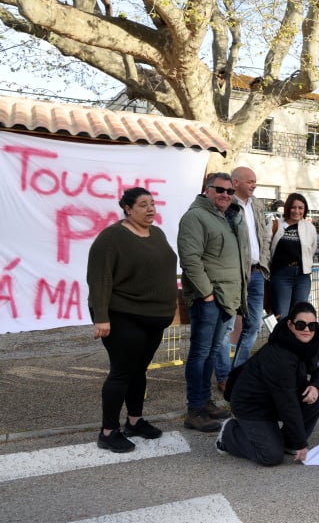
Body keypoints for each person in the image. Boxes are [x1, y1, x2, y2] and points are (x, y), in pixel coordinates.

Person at [87, 187, 178, 452]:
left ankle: (135, 421)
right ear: (127, 208)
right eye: (142, 205)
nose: (150, 209)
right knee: (122, 372)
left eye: (152, 204)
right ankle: (108, 431)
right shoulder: (113, 237)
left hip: (154, 318)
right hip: (124, 316)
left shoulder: (157, 233)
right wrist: (101, 318)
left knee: (140, 370)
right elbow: (99, 278)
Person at [216, 302, 319, 466]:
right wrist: (301, 443)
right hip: (252, 406)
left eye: (311, 325)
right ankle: (230, 433)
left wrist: (316, 385)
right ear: (290, 325)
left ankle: (288, 442)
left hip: (278, 397)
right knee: (271, 457)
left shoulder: (316, 336)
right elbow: (287, 402)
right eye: (300, 325)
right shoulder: (279, 355)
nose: (307, 330)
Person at [178, 172, 249, 432]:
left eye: (230, 191)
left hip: (226, 299)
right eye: (220, 190)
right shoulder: (195, 217)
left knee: (208, 354)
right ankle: (194, 410)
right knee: (199, 354)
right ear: (207, 190)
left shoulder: (228, 217)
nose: (226, 195)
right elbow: (190, 259)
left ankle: (204, 403)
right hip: (209, 300)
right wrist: (207, 294)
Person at [230, 167, 272, 371]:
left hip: (257, 272)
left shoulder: (256, 204)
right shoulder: (228, 205)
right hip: (236, 274)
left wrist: (264, 261)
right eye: (249, 181)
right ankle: (224, 375)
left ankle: (238, 368)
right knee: (227, 326)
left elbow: (264, 235)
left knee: (254, 324)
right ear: (236, 182)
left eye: (255, 181)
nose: (253, 184)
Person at [269, 193, 318, 319]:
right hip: (281, 275)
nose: (297, 211)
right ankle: (281, 339)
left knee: (300, 315)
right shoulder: (275, 224)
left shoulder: (310, 228)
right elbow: (266, 248)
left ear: (305, 210)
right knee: (282, 315)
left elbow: (311, 250)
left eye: (300, 208)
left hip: (302, 276)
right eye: (293, 207)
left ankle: (296, 339)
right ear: (287, 208)